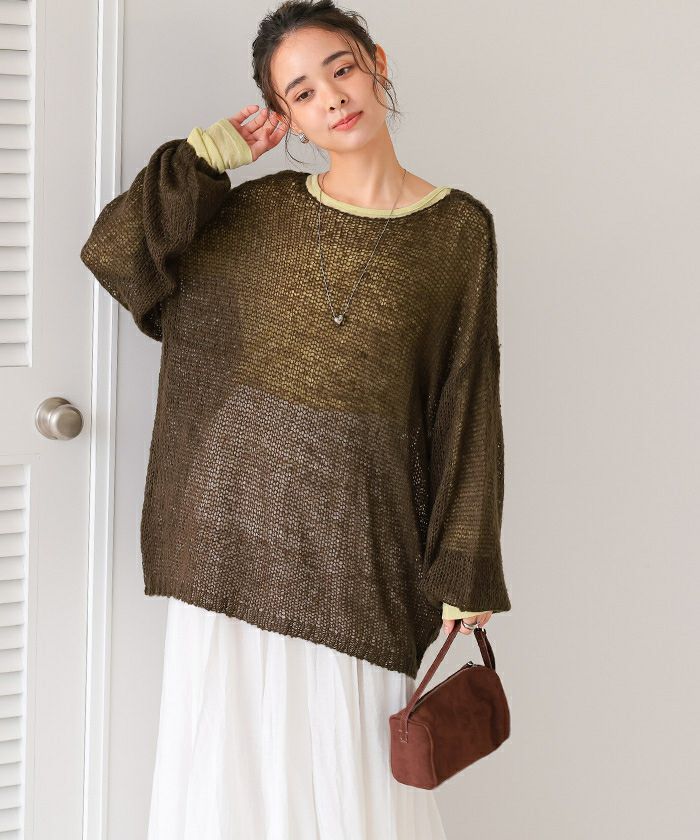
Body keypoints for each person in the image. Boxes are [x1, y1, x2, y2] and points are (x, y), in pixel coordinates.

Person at [80, 1, 512, 836]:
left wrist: (465, 562)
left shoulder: (460, 230)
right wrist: (204, 161)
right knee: (231, 772)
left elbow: (466, 397)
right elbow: (119, 256)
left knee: (351, 770)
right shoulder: (257, 211)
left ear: (377, 64)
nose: (332, 99)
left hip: (360, 543)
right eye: (302, 92)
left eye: (341, 70)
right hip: (232, 536)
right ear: (287, 117)